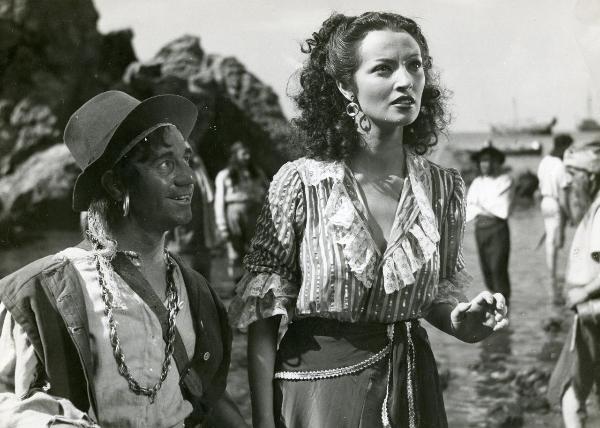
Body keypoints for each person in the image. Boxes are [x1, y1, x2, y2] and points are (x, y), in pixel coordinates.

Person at [228, 12, 508, 428]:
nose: (405, 80)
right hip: (318, 395)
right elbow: (263, 320)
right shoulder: (301, 184)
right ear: (345, 86)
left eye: (415, 65)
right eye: (383, 68)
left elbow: (432, 295)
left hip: (412, 388)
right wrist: (263, 423)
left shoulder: (443, 189)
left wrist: (460, 320)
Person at [0, 91, 246, 427]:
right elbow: (6, 402)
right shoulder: (42, 294)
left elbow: (208, 398)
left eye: (186, 158)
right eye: (165, 163)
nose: (188, 177)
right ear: (116, 185)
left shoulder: (197, 291)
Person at [548, 140, 600, 428]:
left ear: (591, 177)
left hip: (592, 313)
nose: (566, 183)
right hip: (590, 315)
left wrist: (581, 291)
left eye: (572, 175)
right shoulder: (592, 208)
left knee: (570, 394)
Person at [466, 145, 514, 306]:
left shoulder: (505, 180)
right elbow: (469, 208)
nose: (485, 165)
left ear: (497, 163)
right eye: (482, 161)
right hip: (480, 229)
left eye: (488, 161)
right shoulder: (477, 182)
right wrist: (483, 205)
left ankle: (504, 304)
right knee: (486, 270)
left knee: (498, 268)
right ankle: (497, 309)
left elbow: (502, 209)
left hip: (497, 229)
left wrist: (479, 205)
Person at [214, 141, 268, 281]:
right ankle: (237, 285)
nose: (247, 157)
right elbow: (219, 202)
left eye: (249, 154)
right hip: (234, 216)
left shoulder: (257, 174)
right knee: (235, 252)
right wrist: (222, 226)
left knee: (255, 250)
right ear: (235, 155)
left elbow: (268, 194)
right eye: (244, 154)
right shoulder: (225, 175)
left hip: (254, 215)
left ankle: (254, 283)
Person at [537, 133, 574, 304]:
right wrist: (571, 216)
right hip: (556, 203)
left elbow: (539, 184)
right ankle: (556, 281)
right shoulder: (561, 165)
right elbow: (564, 195)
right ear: (564, 147)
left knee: (550, 242)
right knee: (558, 241)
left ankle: (552, 277)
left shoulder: (545, 161)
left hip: (545, 201)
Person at [168, 153, 216, 278]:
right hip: (182, 240)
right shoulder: (173, 176)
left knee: (204, 279)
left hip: (201, 237)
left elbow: (209, 198)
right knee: (184, 278)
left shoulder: (200, 174)